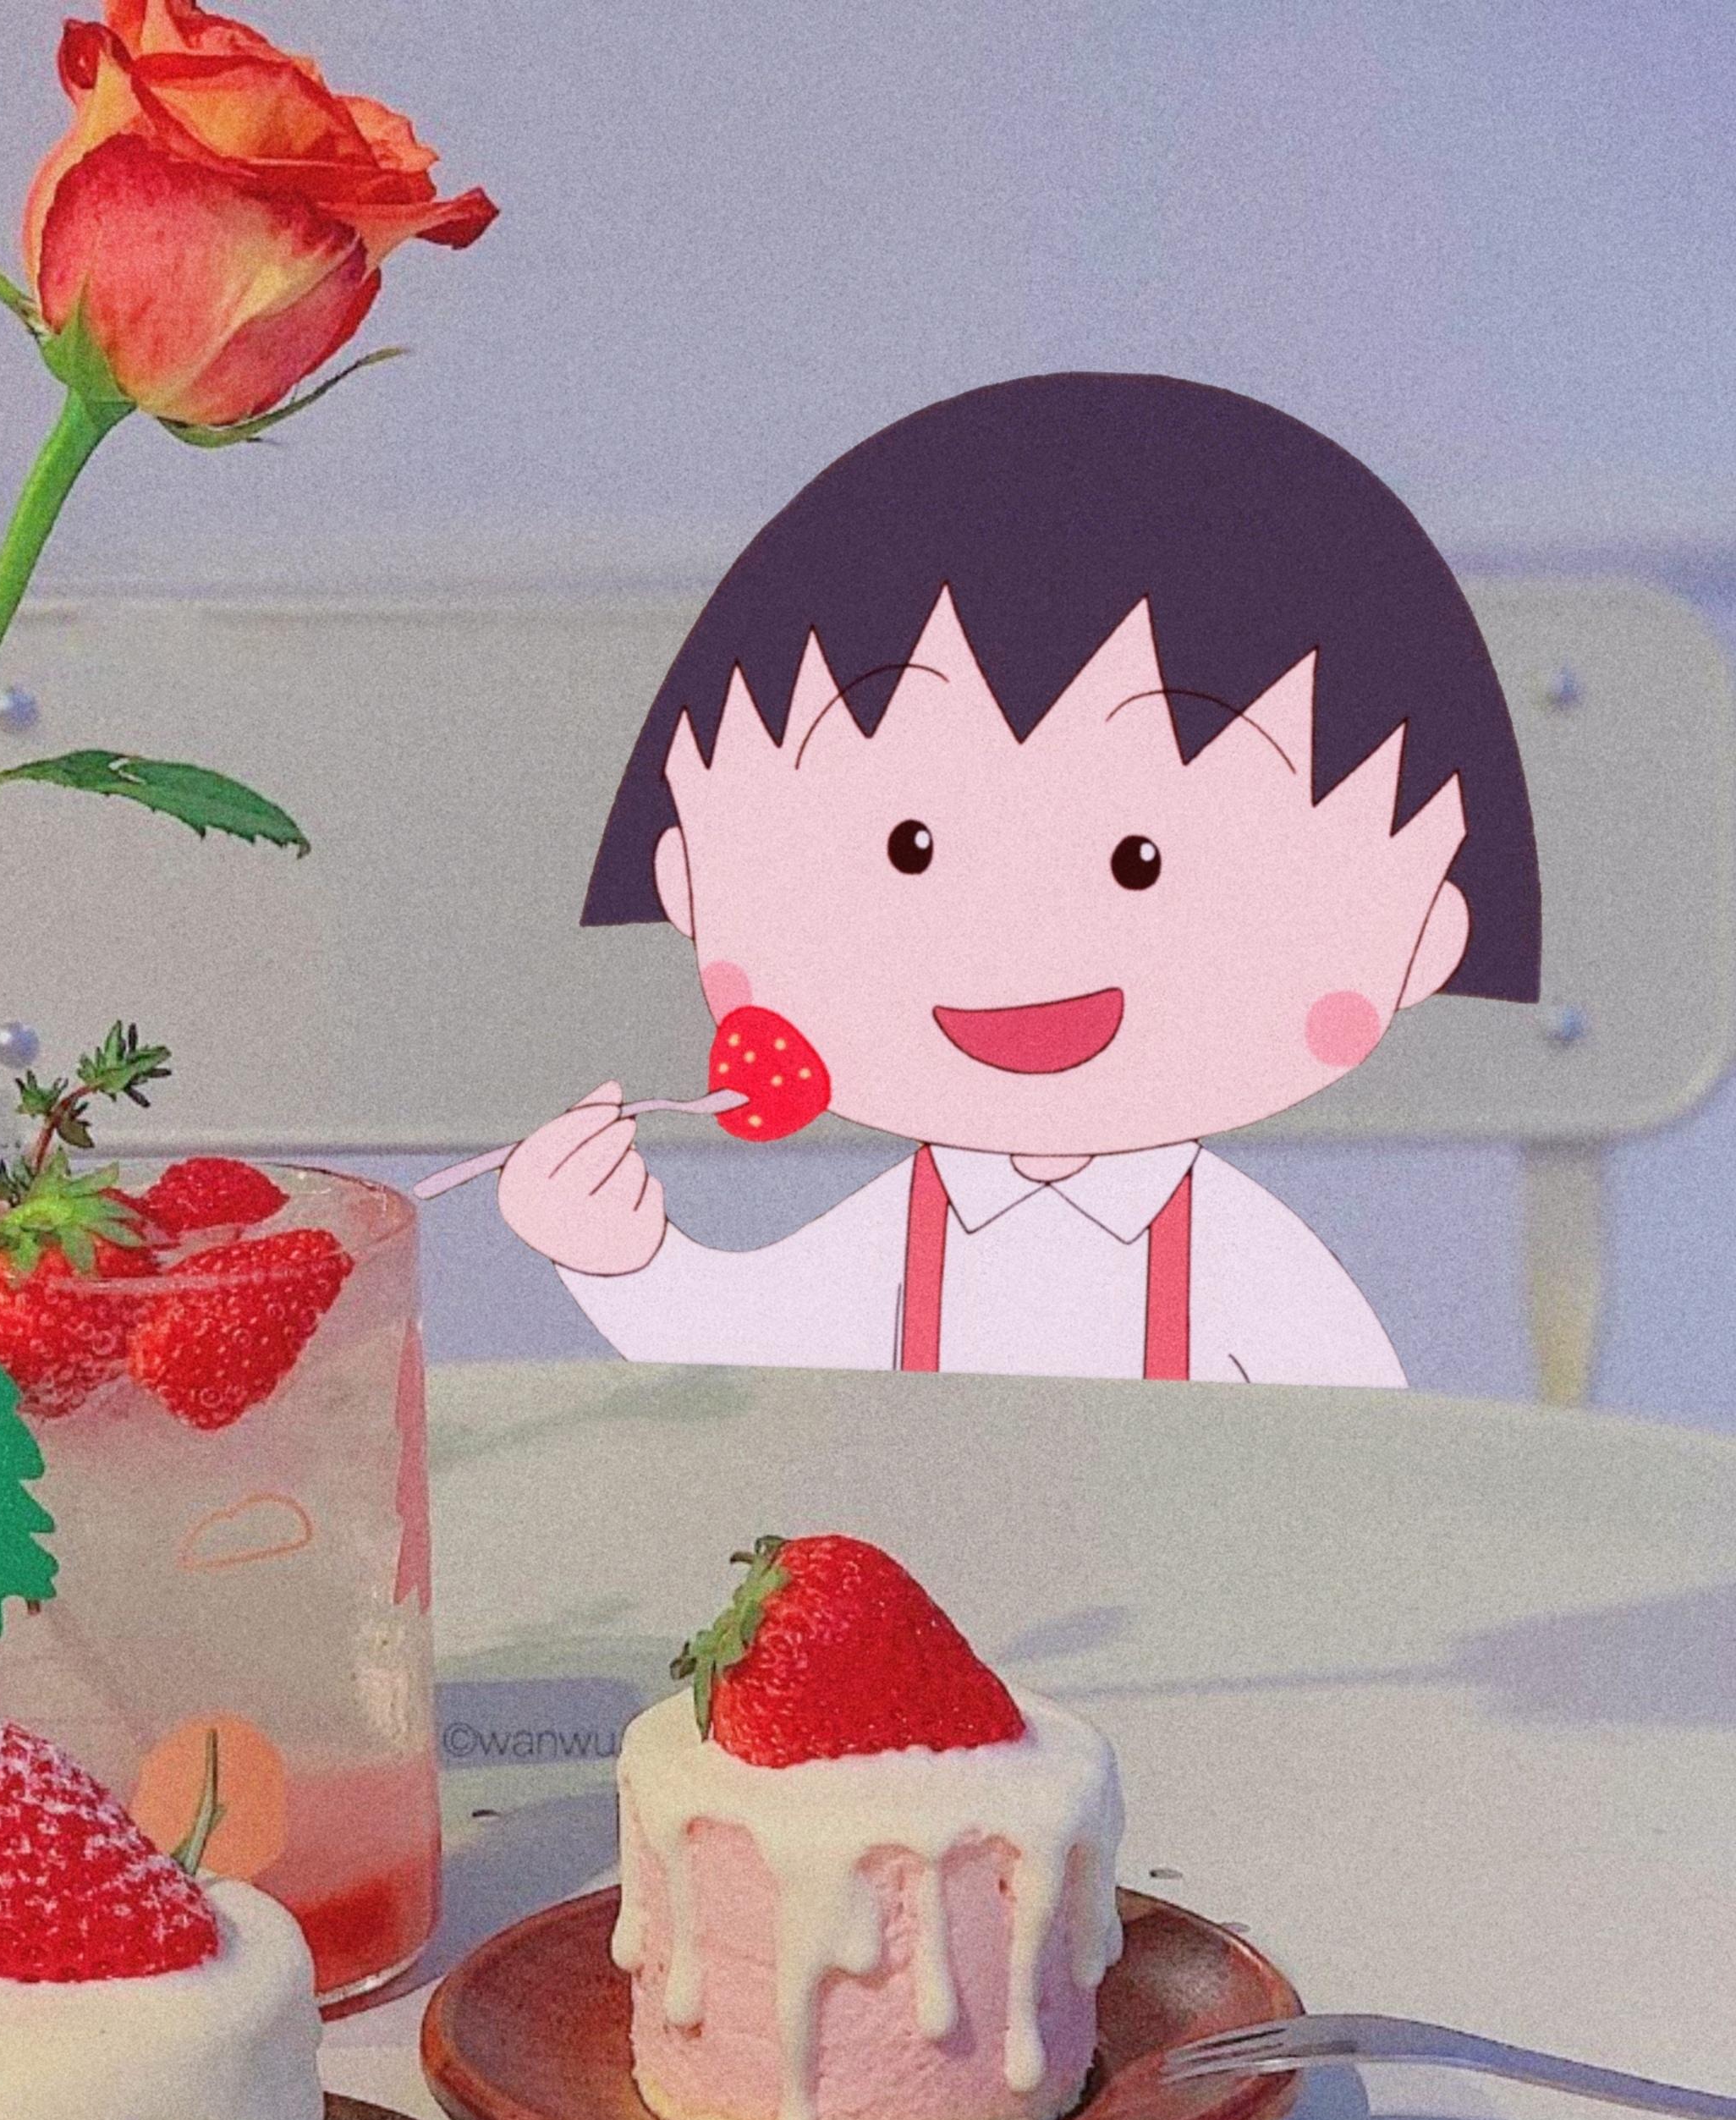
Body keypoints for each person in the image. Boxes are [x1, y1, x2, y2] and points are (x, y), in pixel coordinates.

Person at [499, 373, 1539, 1386]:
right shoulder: (894, 1238)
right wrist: (621, 1258)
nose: (1019, 942)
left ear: (1422, 939)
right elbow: (745, 1357)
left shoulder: (1253, 1271)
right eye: (911, 847)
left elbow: (1366, 1465)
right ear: (686, 880)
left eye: (1140, 863)